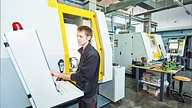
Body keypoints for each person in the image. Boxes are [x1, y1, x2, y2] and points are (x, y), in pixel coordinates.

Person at [51, 25, 100, 108]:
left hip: (88, 94)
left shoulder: (92, 55)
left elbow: (81, 77)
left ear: (88, 38)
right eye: (77, 36)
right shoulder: (84, 51)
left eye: (81, 36)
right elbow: (80, 71)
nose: (78, 38)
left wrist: (59, 74)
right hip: (82, 90)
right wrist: (65, 76)